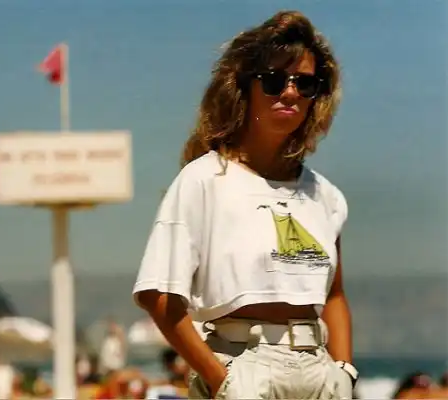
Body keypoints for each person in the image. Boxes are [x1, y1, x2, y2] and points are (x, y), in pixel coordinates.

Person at [133, 10, 357, 400]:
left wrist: (344, 370)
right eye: (274, 80)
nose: (290, 93)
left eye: (305, 83)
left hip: (319, 372)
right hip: (242, 366)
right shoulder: (204, 180)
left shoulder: (325, 196)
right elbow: (159, 295)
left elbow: (334, 295)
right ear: (243, 88)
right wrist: (221, 380)